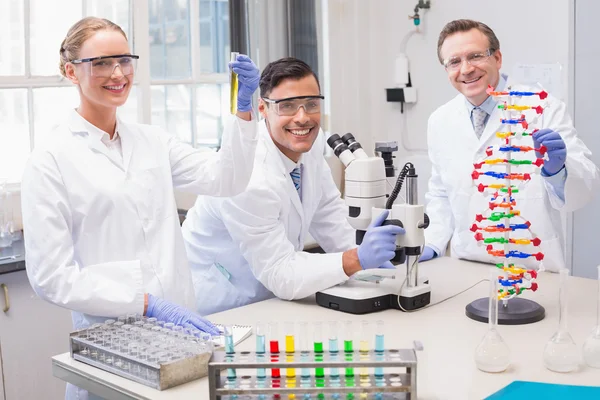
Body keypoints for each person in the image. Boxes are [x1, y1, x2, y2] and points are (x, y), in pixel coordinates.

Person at [21, 16, 260, 398]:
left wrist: (244, 111)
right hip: (113, 350)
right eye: (100, 63)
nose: (117, 73)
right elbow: (52, 278)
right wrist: (144, 301)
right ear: (71, 72)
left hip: (183, 345)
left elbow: (224, 179)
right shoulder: (50, 159)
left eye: (124, 60)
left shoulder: (152, 141)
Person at [182, 57, 405, 315]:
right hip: (221, 304)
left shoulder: (312, 142)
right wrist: (357, 258)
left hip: (272, 297)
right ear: (263, 109)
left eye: (311, 104)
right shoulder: (249, 175)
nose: (302, 118)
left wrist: (381, 261)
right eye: (287, 106)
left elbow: (330, 216)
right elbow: (280, 271)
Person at [420, 19, 598, 271]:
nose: (466, 69)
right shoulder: (440, 120)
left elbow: (584, 191)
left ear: (498, 58)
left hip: (532, 269)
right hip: (468, 266)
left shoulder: (544, 109)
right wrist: (432, 242)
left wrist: (559, 170)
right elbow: (440, 194)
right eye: (454, 62)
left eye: (475, 56)